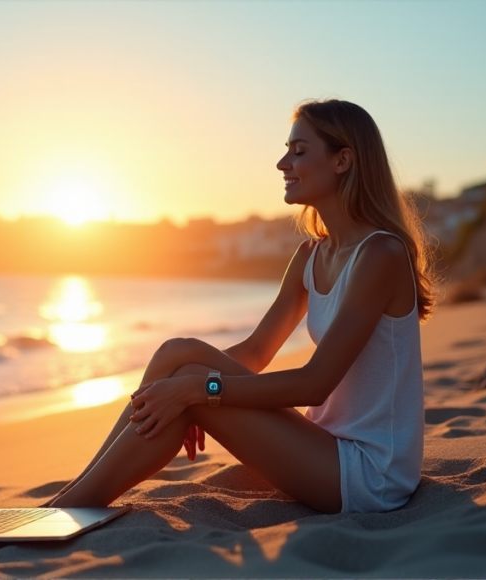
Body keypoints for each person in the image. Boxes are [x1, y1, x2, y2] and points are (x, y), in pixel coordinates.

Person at [46, 99, 436, 514]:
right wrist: (184, 388)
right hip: (324, 446)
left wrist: (199, 390)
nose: (283, 164)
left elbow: (314, 384)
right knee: (177, 353)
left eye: (299, 151)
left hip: (369, 473)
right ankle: (72, 497)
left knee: (193, 383)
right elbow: (255, 351)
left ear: (342, 161)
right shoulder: (311, 255)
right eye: (287, 151)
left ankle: (66, 509)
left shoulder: (380, 254)